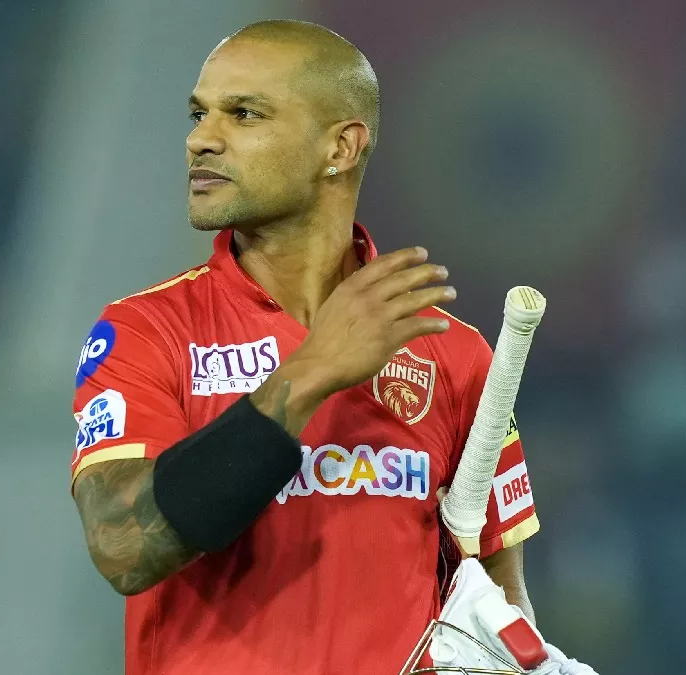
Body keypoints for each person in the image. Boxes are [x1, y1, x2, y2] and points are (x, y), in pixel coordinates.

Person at [70, 19, 586, 675]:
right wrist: (311, 371)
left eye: (244, 114)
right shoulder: (146, 331)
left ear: (340, 146)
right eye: (200, 114)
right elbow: (123, 546)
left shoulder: (455, 356)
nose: (201, 138)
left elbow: (497, 599)